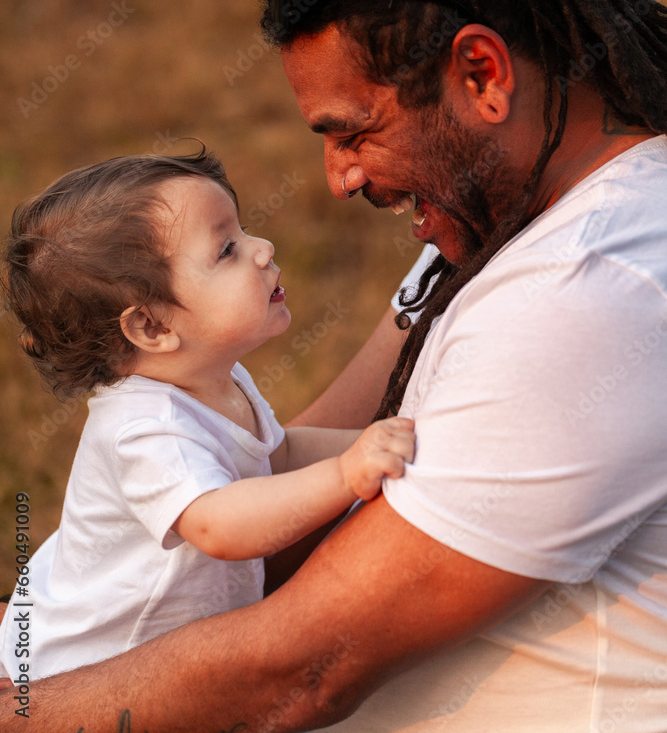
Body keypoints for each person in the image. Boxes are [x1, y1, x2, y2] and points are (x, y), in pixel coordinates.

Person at [2, 0, 667, 731]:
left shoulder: (588, 288)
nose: (338, 179)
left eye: (352, 132)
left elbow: (300, 672)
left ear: (481, 74)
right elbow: (275, 484)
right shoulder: (503, 217)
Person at [0, 148, 415, 683]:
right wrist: (345, 475)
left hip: (158, 652)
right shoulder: (144, 430)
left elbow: (279, 453)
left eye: (243, 232)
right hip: (90, 666)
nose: (263, 249)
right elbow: (220, 525)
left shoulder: (218, 378)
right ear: (152, 327)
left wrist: (379, 439)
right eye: (227, 250)